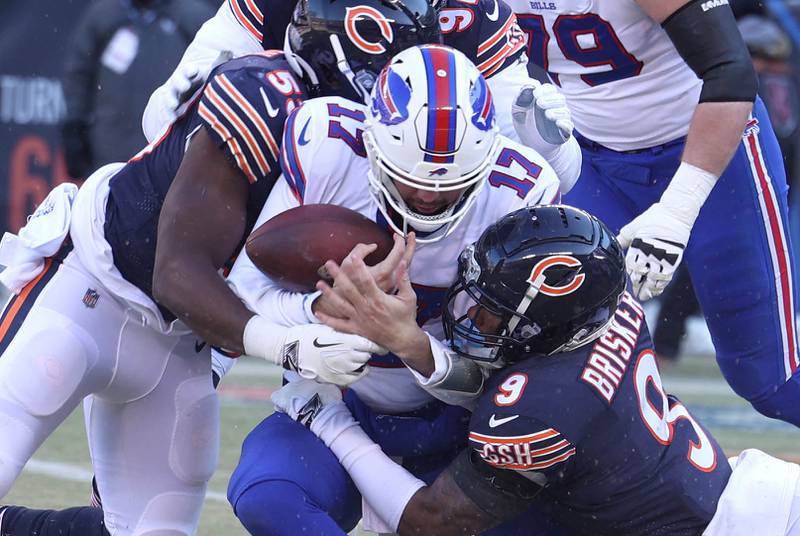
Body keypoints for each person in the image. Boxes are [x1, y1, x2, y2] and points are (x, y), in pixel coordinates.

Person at [0, 1, 442, 534]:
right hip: (92, 289)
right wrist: (286, 344)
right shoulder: (263, 94)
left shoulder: (372, 154)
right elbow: (177, 270)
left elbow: (264, 280)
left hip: (184, 342)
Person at [274, 204, 800, 536]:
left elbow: (431, 522)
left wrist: (327, 420)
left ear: (547, 320)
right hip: (756, 497)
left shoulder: (545, 405)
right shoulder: (604, 307)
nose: (470, 313)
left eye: (493, 308)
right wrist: (411, 343)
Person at [223, 44, 564, 535]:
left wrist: (410, 343)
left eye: (450, 185)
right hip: (342, 401)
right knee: (268, 492)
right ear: (374, 145)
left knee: (559, 517)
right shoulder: (329, 147)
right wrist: (316, 310)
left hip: (466, 429)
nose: (427, 197)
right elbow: (244, 287)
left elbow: (518, 383)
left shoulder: (520, 199)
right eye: (410, 181)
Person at [499, 0, 800, 426]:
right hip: (592, 161)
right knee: (554, 353)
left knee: (770, 379)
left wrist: (677, 210)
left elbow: (731, 70)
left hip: (713, 153)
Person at [140, 0, 584, 195]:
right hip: (290, 186)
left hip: (427, 187)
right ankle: (209, 333)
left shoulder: (470, 15)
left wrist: (544, 141)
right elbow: (156, 124)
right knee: (259, 91)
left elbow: (553, 177)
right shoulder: (271, 4)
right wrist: (183, 112)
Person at [61, 0, 215, 178]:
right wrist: (75, 126)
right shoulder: (105, 15)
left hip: (170, 157)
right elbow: (79, 75)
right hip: (109, 156)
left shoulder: (193, 16)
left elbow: (216, 72)